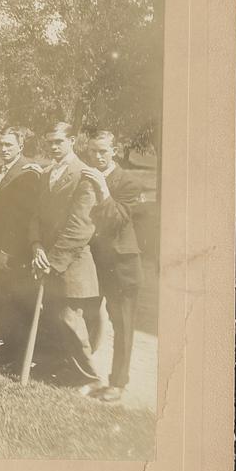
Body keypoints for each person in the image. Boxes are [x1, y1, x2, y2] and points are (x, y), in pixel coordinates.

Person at [29, 121, 102, 391]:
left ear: (72, 141)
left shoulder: (85, 175)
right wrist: (36, 246)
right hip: (46, 259)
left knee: (70, 321)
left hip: (73, 264)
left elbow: (81, 227)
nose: (53, 147)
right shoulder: (48, 172)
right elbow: (35, 215)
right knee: (53, 320)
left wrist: (52, 260)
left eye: (59, 141)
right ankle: (63, 372)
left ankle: (91, 379)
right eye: (49, 142)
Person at [82, 130, 144, 402]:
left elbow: (118, 219)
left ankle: (118, 383)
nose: (97, 156)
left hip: (122, 263)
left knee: (123, 323)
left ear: (115, 151)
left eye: (103, 151)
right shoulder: (87, 174)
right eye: (93, 151)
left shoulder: (128, 181)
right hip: (95, 260)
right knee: (85, 317)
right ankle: (85, 375)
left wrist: (103, 189)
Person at [0, 127, 41, 369]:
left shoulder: (27, 172)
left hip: (12, 251)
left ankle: (16, 357)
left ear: (20, 146)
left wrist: (8, 250)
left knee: (14, 303)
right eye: (1, 145)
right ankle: (6, 350)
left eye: (9, 145)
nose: (4, 149)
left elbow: (22, 217)